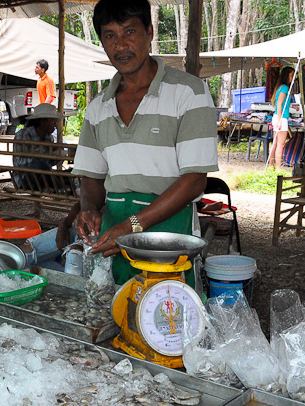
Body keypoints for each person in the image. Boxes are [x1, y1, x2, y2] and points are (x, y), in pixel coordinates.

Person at [71, 0, 218, 285]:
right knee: (112, 308)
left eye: (130, 32)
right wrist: (88, 208)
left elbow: (194, 182)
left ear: (150, 32)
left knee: (167, 312)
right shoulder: (98, 107)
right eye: (110, 36)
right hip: (115, 225)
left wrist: (134, 225)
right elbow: (91, 176)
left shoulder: (189, 92)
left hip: (168, 229)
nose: (121, 45)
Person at [12, 102, 68, 191]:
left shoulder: (48, 137)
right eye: (53, 121)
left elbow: (49, 163)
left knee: (68, 173)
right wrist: (44, 153)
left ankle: (61, 187)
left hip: (43, 176)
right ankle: (62, 189)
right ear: (43, 121)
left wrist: (58, 156)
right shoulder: (23, 134)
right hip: (25, 179)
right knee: (39, 164)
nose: (55, 124)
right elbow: (19, 162)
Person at [266, 66, 294, 170]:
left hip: (278, 116)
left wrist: (291, 106)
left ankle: (271, 165)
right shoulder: (285, 88)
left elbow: (282, 104)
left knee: (275, 143)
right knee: (280, 144)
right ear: (286, 76)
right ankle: (278, 167)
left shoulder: (281, 87)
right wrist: (280, 119)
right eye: (291, 75)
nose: (292, 78)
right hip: (281, 117)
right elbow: (279, 103)